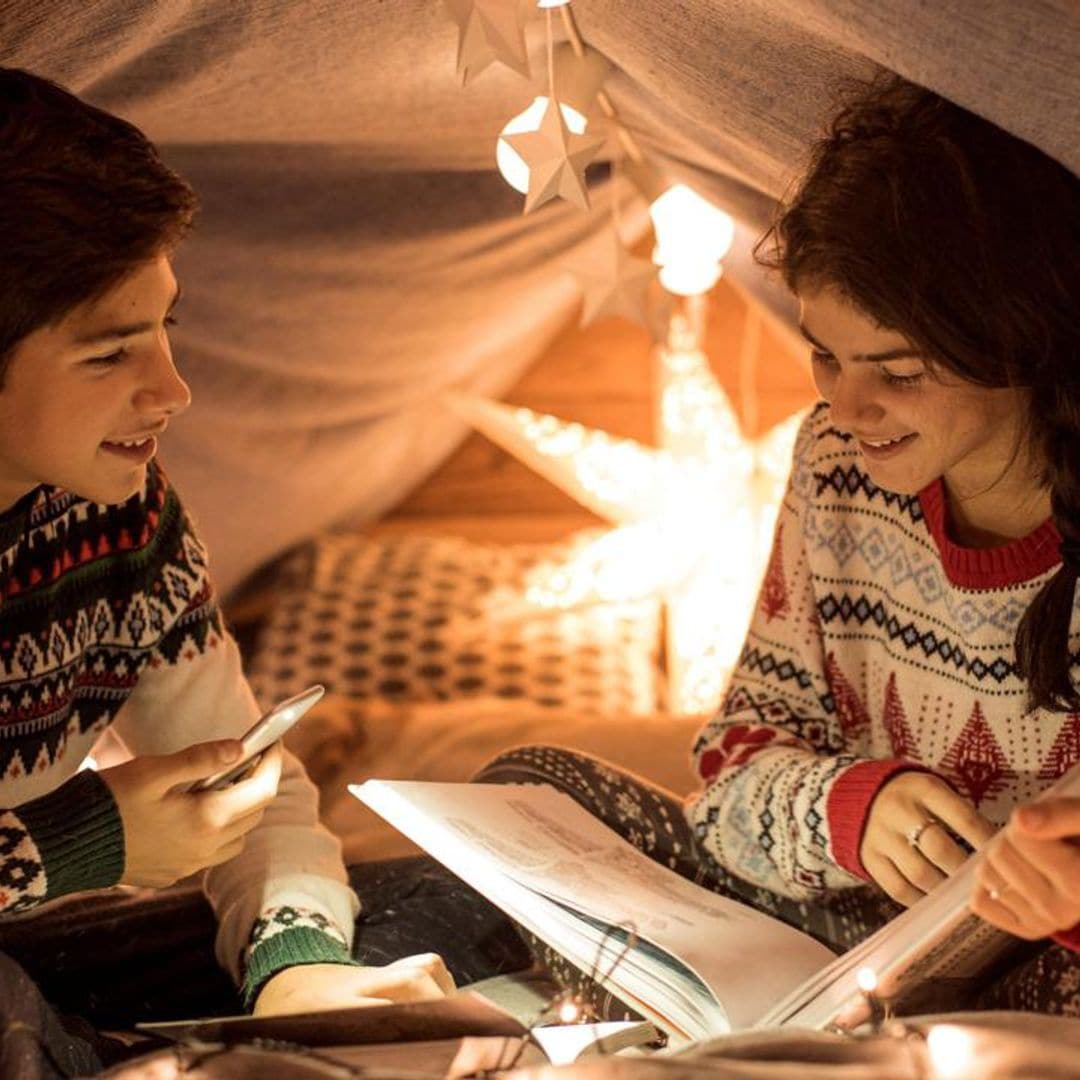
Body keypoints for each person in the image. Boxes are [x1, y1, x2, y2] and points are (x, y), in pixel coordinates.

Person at [477, 75, 1079, 1015]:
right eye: (825, 355)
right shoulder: (837, 462)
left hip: (1036, 970)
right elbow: (732, 765)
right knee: (530, 795)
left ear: (1017, 339)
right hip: (850, 937)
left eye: (899, 372)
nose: (846, 406)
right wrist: (848, 809)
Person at [0, 66, 457, 1064]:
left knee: (449, 890)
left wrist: (295, 966)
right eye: (110, 353)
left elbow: (248, 782)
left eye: (167, 328)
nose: (174, 389)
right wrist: (83, 843)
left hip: (29, 943)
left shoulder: (127, 520)